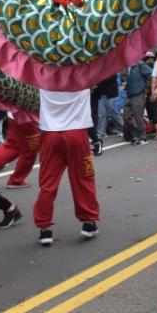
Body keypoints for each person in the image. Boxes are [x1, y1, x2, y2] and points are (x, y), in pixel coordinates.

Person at [34, 88, 100, 246]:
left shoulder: (42, 74)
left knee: (48, 183)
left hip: (50, 134)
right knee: (83, 178)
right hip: (76, 132)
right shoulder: (81, 74)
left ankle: (45, 228)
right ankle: (89, 222)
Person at [0, 112, 40, 188]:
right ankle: (16, 180)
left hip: (14, 115)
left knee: (13, 145)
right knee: (30, 151)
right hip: (27, 117)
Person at [123, 52, 153, 145]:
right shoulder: (126, 67)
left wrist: (147, 88)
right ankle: (137, 135)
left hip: (138, 94)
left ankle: (143, 137)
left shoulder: (140, 64)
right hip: (129, 94)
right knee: (126, 116)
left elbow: (151, 75)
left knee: (138, 116)